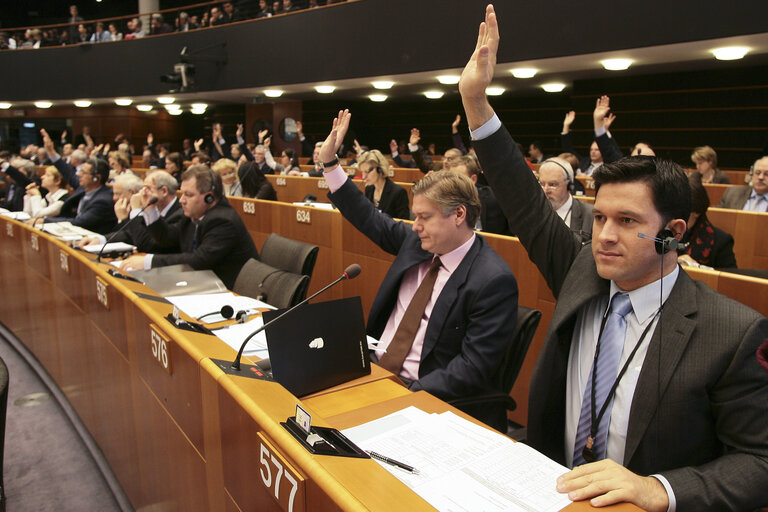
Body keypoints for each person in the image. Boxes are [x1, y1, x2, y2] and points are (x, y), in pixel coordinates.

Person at [459, 6, 768, 511]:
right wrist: (475, 100)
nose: (603, 235)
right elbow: (523, 197)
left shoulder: (730, 334)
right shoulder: (582, 270)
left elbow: (759, 462)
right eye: (599, 217)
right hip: (550, 494)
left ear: (673, 233)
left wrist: (658, 489)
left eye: (626, 222)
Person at [320, 109, 518, 426]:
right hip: (371, 370)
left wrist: (406, 393)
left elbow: (473, 367)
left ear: (458, 215)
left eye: (425, 217)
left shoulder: (492, 280)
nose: (415, 227)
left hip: (422, 396)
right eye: (415, 216)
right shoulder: (417, 243)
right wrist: (330, 165)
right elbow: (368, 217)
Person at [118, 165, 259, 289]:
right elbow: (167, 239)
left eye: (188, 195)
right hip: (202, 283)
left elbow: (198, 260)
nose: (182, 200)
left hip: (230, 291)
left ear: (209, 198)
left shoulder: (223, 220)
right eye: (182, 193)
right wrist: (150, 209)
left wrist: (149, 262)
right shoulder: (193, 214)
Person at [79, 170, 183, 253]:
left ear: (164, 191)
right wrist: (101, 240)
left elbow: (146, 245)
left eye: (147, 189)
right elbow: (130, 234)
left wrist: (135, 209)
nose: (142, 193)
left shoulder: (179, 214)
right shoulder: (153, 209)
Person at [678, 172, 737, 269]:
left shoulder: (721, 241)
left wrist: (697, 267)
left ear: (696, 211)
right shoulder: (662, 232)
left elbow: (729, 280)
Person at [446, 155, 511, 236]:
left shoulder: (495, 200)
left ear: (473, 179)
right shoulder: (445, 201)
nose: (453, 185)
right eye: (451, 179)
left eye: (459, 179)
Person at [538, 157, 593, 237]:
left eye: (552, 185)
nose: (545, 191)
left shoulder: (589, 215)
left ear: (569, 185)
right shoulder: (531, 211)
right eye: (542, 184)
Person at [359, 152, 409, 220]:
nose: (363, 177)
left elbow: (403, 225)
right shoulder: (368, 189)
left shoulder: (398, 193)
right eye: (362, 172)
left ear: (380, 169)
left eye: (367, 171)